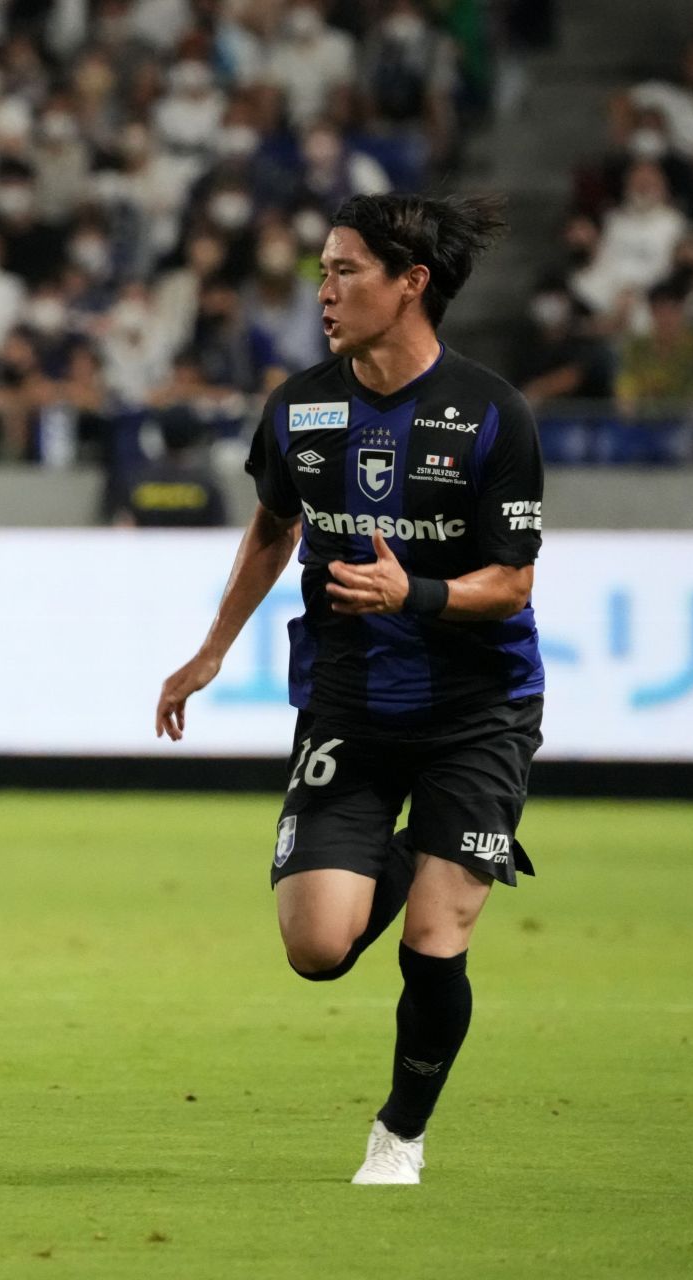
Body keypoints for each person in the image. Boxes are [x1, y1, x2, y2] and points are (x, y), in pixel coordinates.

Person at [155, 193, 545, 1185]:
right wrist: (208, 651)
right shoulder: (299, 405)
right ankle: (427, 853)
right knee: (318, 945)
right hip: (349, 706)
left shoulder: (493, 412)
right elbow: (272, 527)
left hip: (479, 712)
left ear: (412, 282)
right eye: (319, 272)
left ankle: (400, 1134)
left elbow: (513, 582)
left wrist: (408, 589)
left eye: (346, 272)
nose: (324, 292)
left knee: (435, 938)